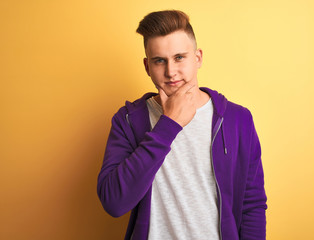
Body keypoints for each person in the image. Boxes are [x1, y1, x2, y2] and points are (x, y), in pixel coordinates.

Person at [97, 10, 267, 240]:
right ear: (147, 66)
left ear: (197, 58)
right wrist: (169, 125)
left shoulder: (238, 120)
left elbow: (252, 203)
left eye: (179, 57)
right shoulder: (128, 121)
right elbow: (114, 202)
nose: (171, 72)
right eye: (159, 61)